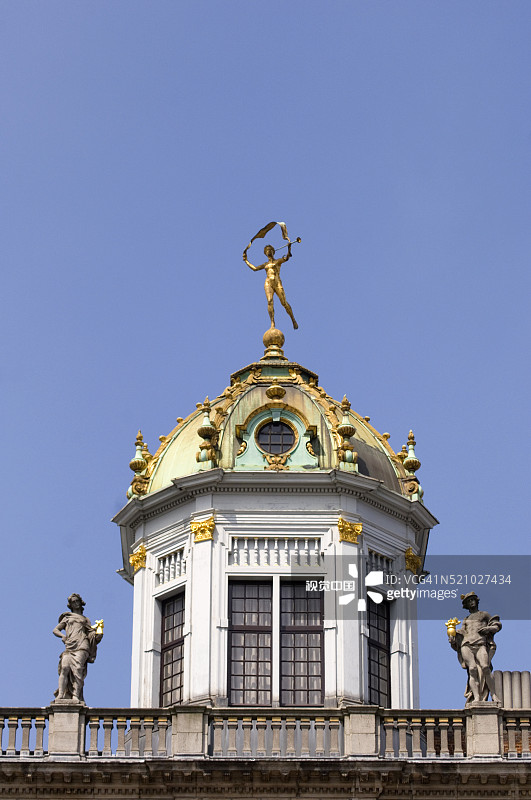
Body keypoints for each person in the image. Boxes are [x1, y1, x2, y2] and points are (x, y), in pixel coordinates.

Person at [449, 592, 501, 704]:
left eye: (472, 600)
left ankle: (494, 695)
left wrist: (489, 629)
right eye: (468, 601)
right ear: (466, 605)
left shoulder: (484, 614)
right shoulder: (466, 619)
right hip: (466, 644)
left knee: (485, 667)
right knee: (472, 669)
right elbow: (462, 633)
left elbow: (496, 625)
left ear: (477, 601)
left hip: (480, 643)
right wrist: (453, 637)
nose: (471, 602)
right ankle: (477, 698)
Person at [52, 594, 103, 703]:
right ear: (70, 605)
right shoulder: (67, 617)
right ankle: (61, 694)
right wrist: (63, 636)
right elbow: (55, 630)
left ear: (80, 603)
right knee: (65, 667)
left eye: (77, 601)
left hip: (82, 644)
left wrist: (98, 633)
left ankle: (76, 695)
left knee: (78, 669)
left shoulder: (85, 619)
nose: (75, 603)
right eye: (73, 602)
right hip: (70, 644)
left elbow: (91, 634)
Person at [243, 243, 298, 330]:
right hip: (268, 282)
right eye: (267, 250)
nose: (268, 251)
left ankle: (293, 319)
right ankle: (272, 322)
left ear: (273, 251)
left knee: (284, 303)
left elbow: (287, 258)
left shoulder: (277, 261)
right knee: (269, 301)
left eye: (270, 250)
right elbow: (255, 268)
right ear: (265, 253)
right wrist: (246, 261)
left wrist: (289, 248)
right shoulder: (265, 264)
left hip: (277, 282)